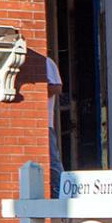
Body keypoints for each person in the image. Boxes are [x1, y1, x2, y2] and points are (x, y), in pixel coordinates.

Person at [46, 55, 64, 197]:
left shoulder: (46, 62)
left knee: (52, 161)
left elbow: (57, 87)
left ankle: (61, 192)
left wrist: (36, 90)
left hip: (45, 124)